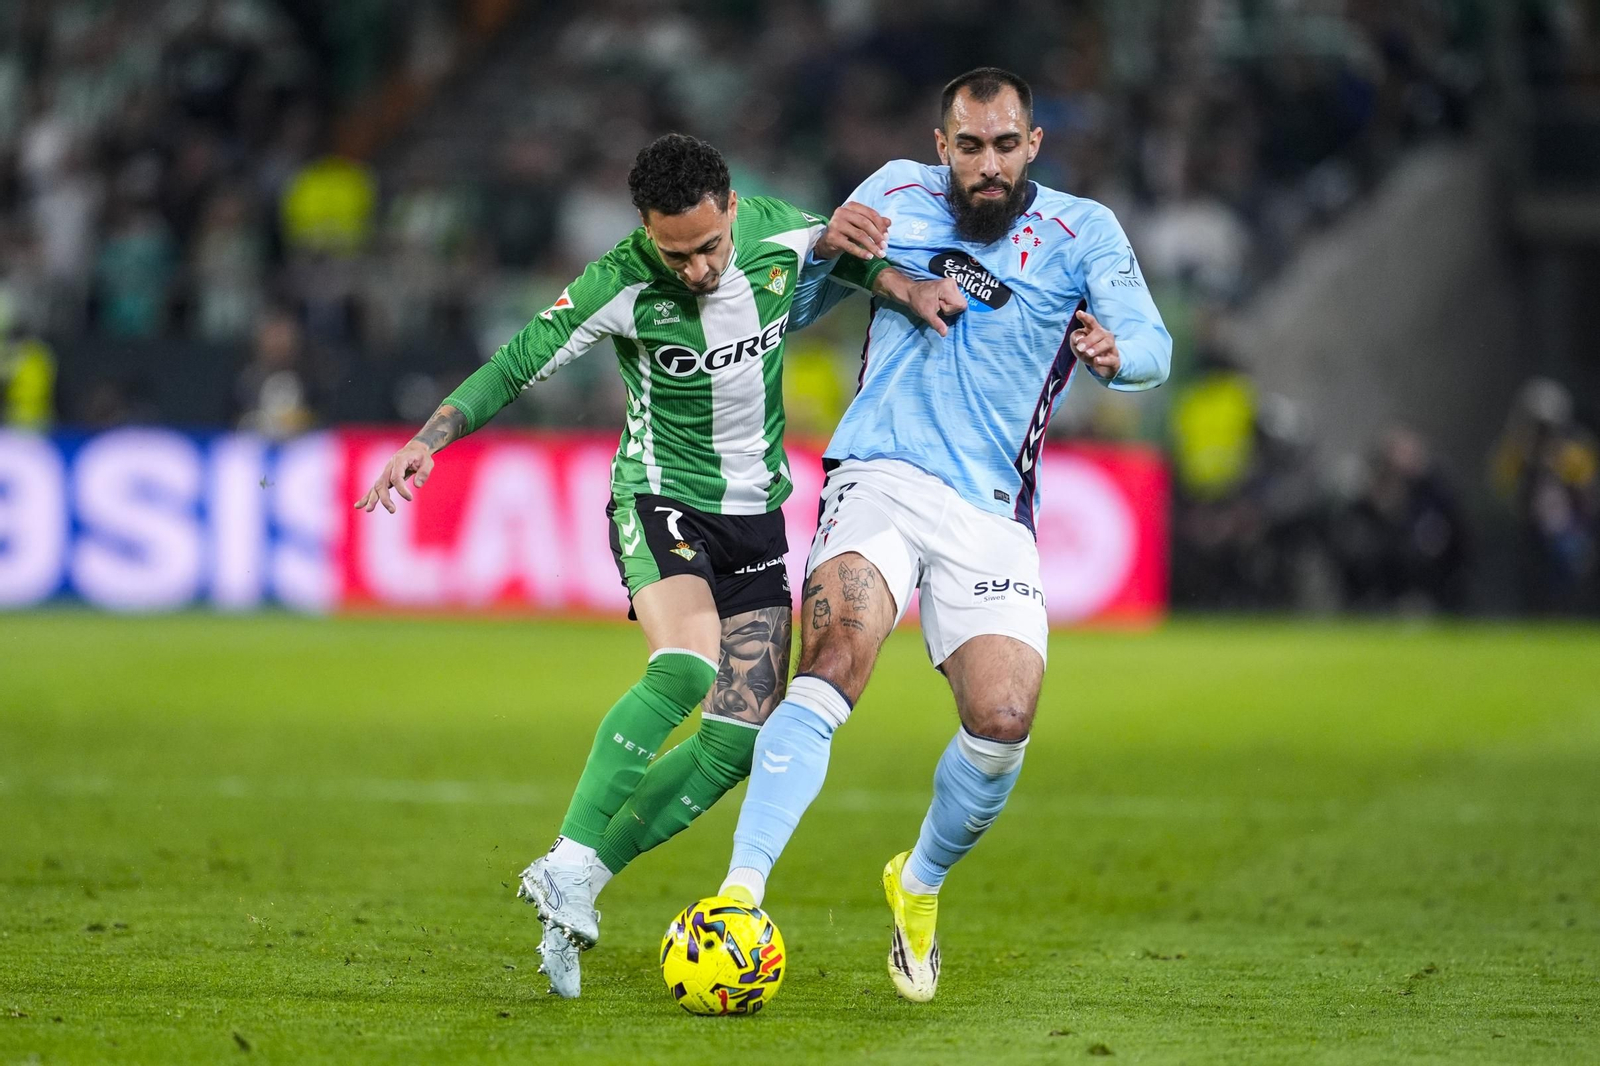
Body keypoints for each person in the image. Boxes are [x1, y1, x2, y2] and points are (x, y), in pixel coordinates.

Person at [354, 133, 962, 998]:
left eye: (711, 246)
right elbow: (518, 361)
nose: (701, 269)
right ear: (645, 230)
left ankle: (582, 882)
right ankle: (567, 852)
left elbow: (840, 255)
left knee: (734, 743)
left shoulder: (778, 233)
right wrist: (429, 439)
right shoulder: (618, 282)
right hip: (661, 500)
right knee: (683, 666)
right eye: (677, 252)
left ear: (734, 214)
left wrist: (897, 282)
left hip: (756, 522)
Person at [713, 68, 1172, 1002]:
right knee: (835, 656)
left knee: (1002, 723)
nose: (988, 166)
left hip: (991, 511)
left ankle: (916, 883)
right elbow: (788, 311)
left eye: (1006, 146)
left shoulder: (1084, 231)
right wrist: (817, 259)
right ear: (941, 146)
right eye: (970, 147)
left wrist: (1118, 358)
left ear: (1032, 146)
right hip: (878, 472)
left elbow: (1153, 344)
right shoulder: (889, 193)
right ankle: (738, 898)